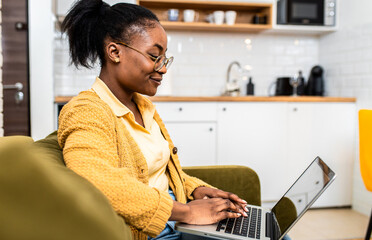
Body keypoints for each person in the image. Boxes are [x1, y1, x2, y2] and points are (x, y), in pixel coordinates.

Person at [57, 0, 249, 239]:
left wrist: (196, 189)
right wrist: (186, 212)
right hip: (155, 229)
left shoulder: (143, 105)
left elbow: (157, 173)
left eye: (164, 58)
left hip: (175, 219)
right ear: (114, 52)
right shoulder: (86, 110)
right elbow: (95, 179)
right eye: (154, 56)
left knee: (269, 232)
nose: (163, 68)